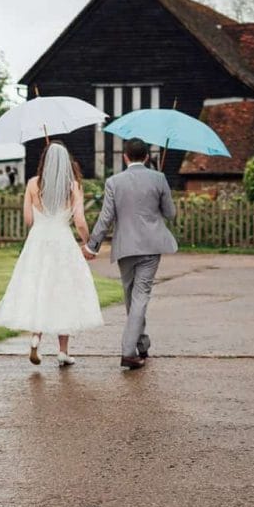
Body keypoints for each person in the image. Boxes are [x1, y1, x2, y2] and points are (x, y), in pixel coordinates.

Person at [0, 142, 104, 366]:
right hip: (62, 241)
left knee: (39, 288)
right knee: (63, 291)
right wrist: (90, 243)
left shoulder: (33, 184)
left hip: (38, 241)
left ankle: (36, 337)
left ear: (44, 160)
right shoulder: (73, 186)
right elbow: (80, 221)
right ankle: (63, 351)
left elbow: (28, 220)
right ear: (66, 162)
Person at [83, 138, 177, 370]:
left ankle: (140, 344)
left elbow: (105, 218)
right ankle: (129, 350)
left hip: (125, 247)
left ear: (125, 157)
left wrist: (92, 245)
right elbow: (170, 214)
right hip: (151, 246)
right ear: (146, 156)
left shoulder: (114, 181)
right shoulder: (159, 178)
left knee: (132, 297)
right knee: (139, 297)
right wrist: (159, 193)